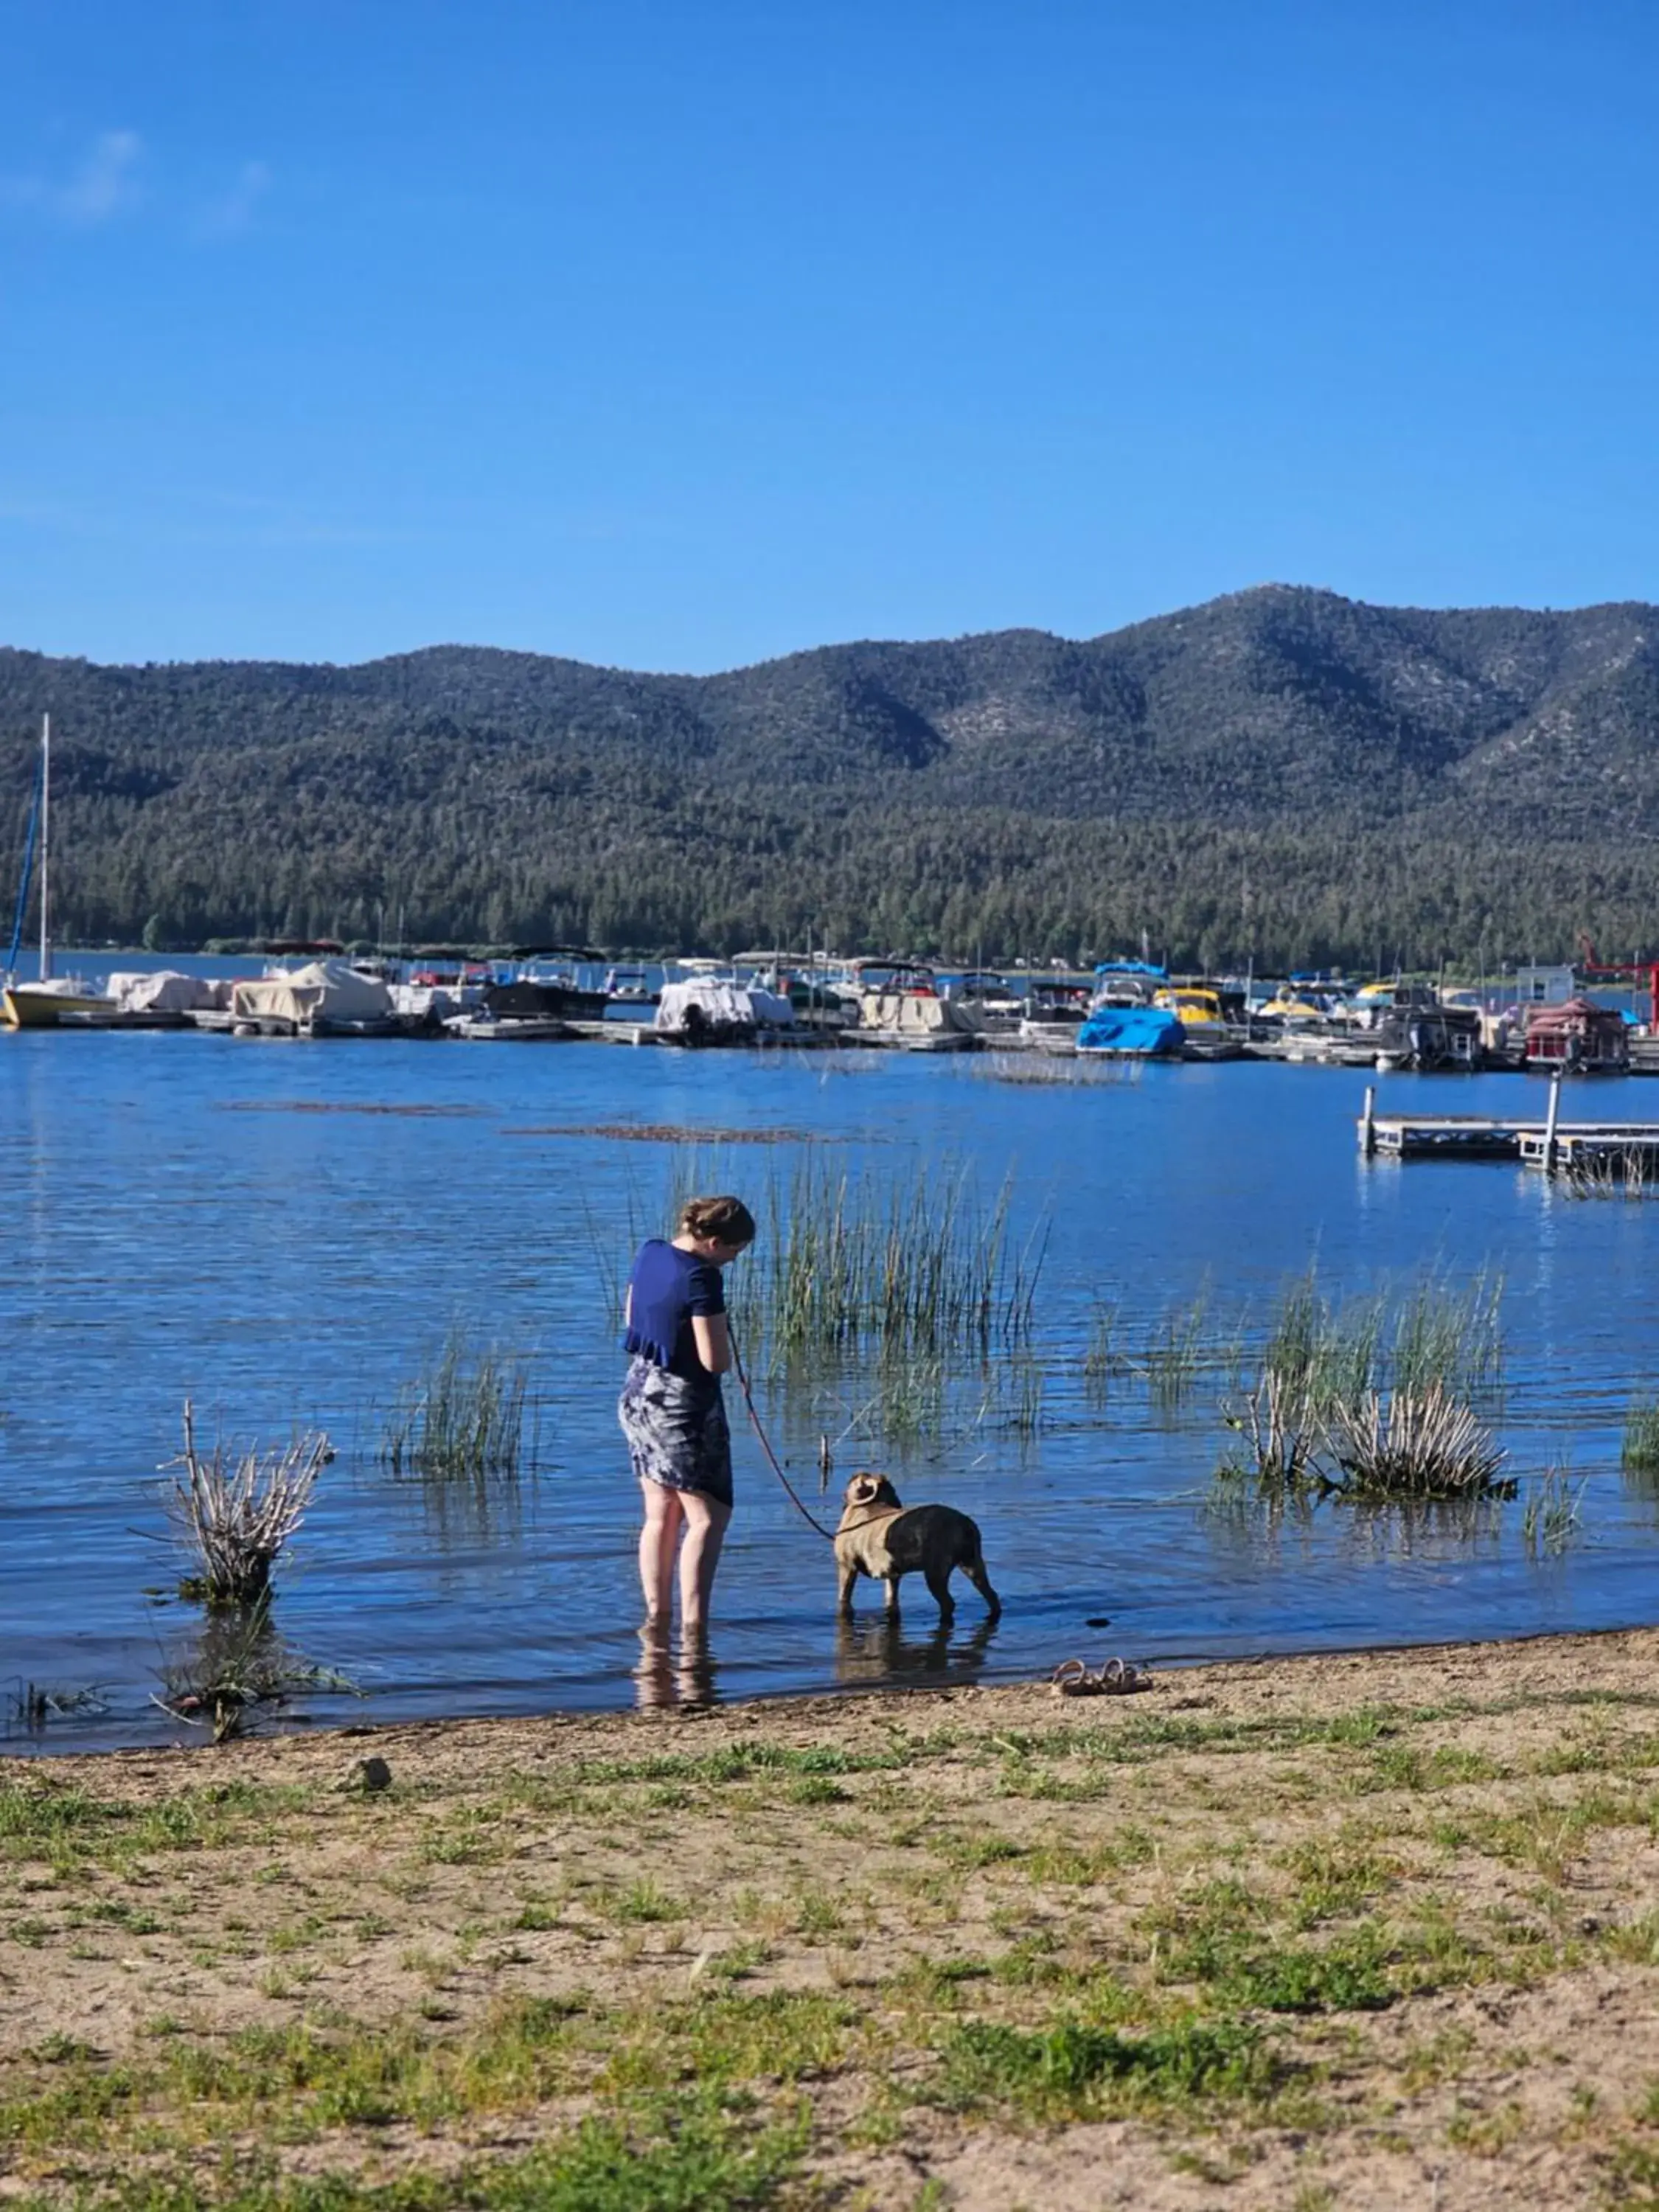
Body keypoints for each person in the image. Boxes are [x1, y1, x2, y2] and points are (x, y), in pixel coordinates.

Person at [618, 1193, 757, 1641]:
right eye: (735, 1252)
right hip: (681, 1406)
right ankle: (695, 1626)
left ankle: (656, 1619)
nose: (734, 1260)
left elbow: (632, 1318)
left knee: (659, 1514)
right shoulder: (702, 1278)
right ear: (715, 1242)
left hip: (639, 1393)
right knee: (708, 1517)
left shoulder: (651, 1251)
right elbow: (714, 1360)